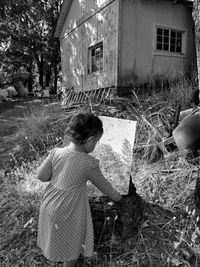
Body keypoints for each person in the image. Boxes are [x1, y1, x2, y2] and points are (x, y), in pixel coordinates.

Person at [36, 113, 122, 267]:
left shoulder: (56, 152)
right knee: (72, 246)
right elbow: (105, 186)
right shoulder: (89, 163)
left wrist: (57, 176)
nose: (95, 145)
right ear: (89, 140)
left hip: (49, 204)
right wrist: (118, 198)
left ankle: (57, 255)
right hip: (69, 209)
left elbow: (41, 176)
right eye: (96, 142)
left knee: (57, 235)